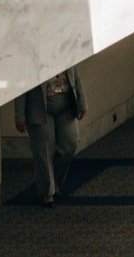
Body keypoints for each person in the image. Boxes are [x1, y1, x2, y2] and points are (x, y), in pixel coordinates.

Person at [15, 68, 85, 206]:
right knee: (44, 151)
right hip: (40, 107)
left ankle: (56, 181)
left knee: (70, 144)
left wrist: (82, 101)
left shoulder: (65, 49)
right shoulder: (31, 54)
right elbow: (22, 85)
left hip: (66, 104)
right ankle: (47, 192)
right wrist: (20, 115)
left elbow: (76, 74)